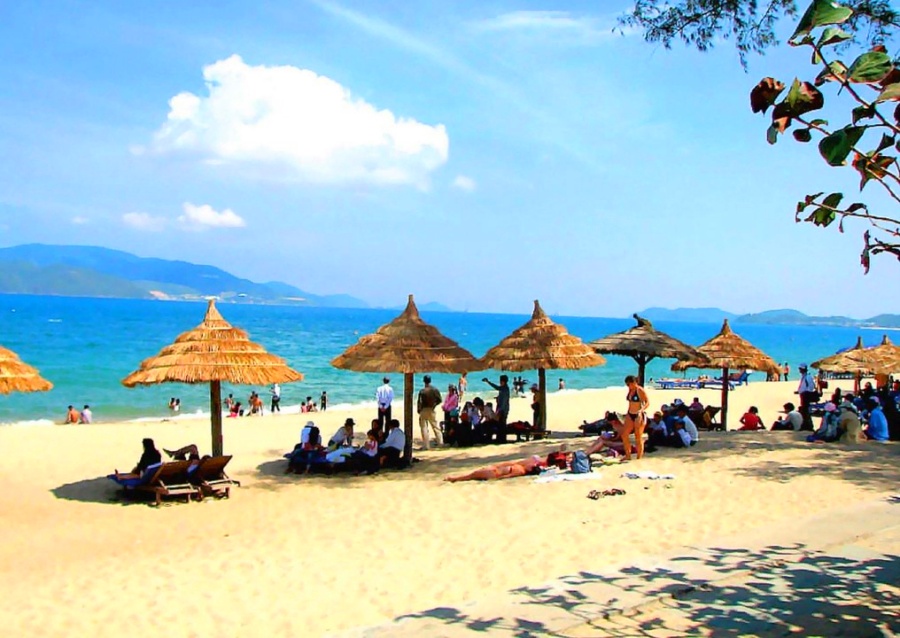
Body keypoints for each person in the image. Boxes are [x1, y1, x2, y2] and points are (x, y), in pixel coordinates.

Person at [444, 455, 546, 482]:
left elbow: (508, 476)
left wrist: (496, 479)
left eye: (532, 466)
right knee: (473, 475)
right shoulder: (521, 467)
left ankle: (454, 479)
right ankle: (455, 478)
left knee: (472, 475)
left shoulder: (520, 471)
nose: (530, 464)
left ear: (530, 470)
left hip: (494, 473)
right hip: (494, 470)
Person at [622, 375, 650, 460]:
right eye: (626, 384)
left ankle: (639, 457)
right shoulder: (630, 390)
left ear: (634, 382)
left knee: (638, 436)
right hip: (630, 413)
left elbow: (647, 402)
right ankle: (628, 455)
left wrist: (641, 410)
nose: (628, 386)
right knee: (624, 435)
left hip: (638, 414)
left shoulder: (639, 390)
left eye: (629, 384)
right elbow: (630, 403)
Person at [416, 375, 443, 449]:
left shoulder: (422, 391)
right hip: (431, 409)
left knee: (424, 427)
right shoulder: (434, 390)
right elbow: (439, 400)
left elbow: (419, 402)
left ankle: (426, 445)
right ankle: (440, 442)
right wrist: (434, 405)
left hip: (424, 409)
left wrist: (419, 410)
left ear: (424, 381)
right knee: (435, 426)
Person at [482, 374, 510, 442]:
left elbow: (504, 401)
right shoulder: (504, 388)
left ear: (503, 381)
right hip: (502, 409)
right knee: (501, 424)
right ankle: (501, 439)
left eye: (500, 381)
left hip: (503, 410)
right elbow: (498, 390)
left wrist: (500, 411)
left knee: (502, 424)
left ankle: (502, 439)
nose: (499, 382)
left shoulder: (504, 389)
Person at [796, 364, 817, 430]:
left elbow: (811, 386)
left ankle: (808, 426)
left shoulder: (808, 377)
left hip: (806, 395)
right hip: (803, 395)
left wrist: (806, 392)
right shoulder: (804, 377)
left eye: (800, 369)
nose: (800, 370)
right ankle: (806, 425)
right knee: (804, 410)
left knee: (805, 410)